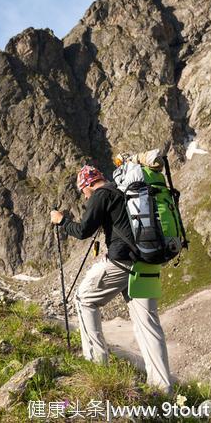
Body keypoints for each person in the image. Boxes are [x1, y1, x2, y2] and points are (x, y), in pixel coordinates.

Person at [50, 165, 173, 394]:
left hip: (121, 262)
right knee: (148, 324)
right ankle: (162, 388)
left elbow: (83, 230)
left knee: (83, 299)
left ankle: (97, 368)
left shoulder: (101, 194)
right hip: (147, 260)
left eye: (82, 190)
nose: (84, 195)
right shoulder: (122, 192)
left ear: (87, 184)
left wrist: (61, 221)